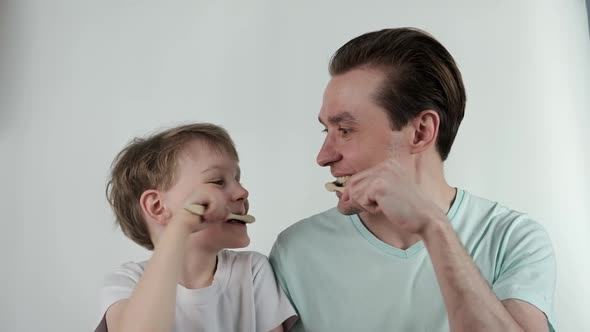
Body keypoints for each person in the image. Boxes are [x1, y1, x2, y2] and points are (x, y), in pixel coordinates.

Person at [269, 28, 556, 332]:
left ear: (420, 131)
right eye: (326, 130)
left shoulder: (511, 239)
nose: (323, 157)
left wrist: (433, 228)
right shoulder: (295, 251)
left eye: (345, 130)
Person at [95, 123, 297, 332]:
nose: (242, 191)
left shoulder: (252, 270)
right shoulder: (125, 283)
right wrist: (179, 228)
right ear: (157, 206)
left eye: (237, 179)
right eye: (218, 181)